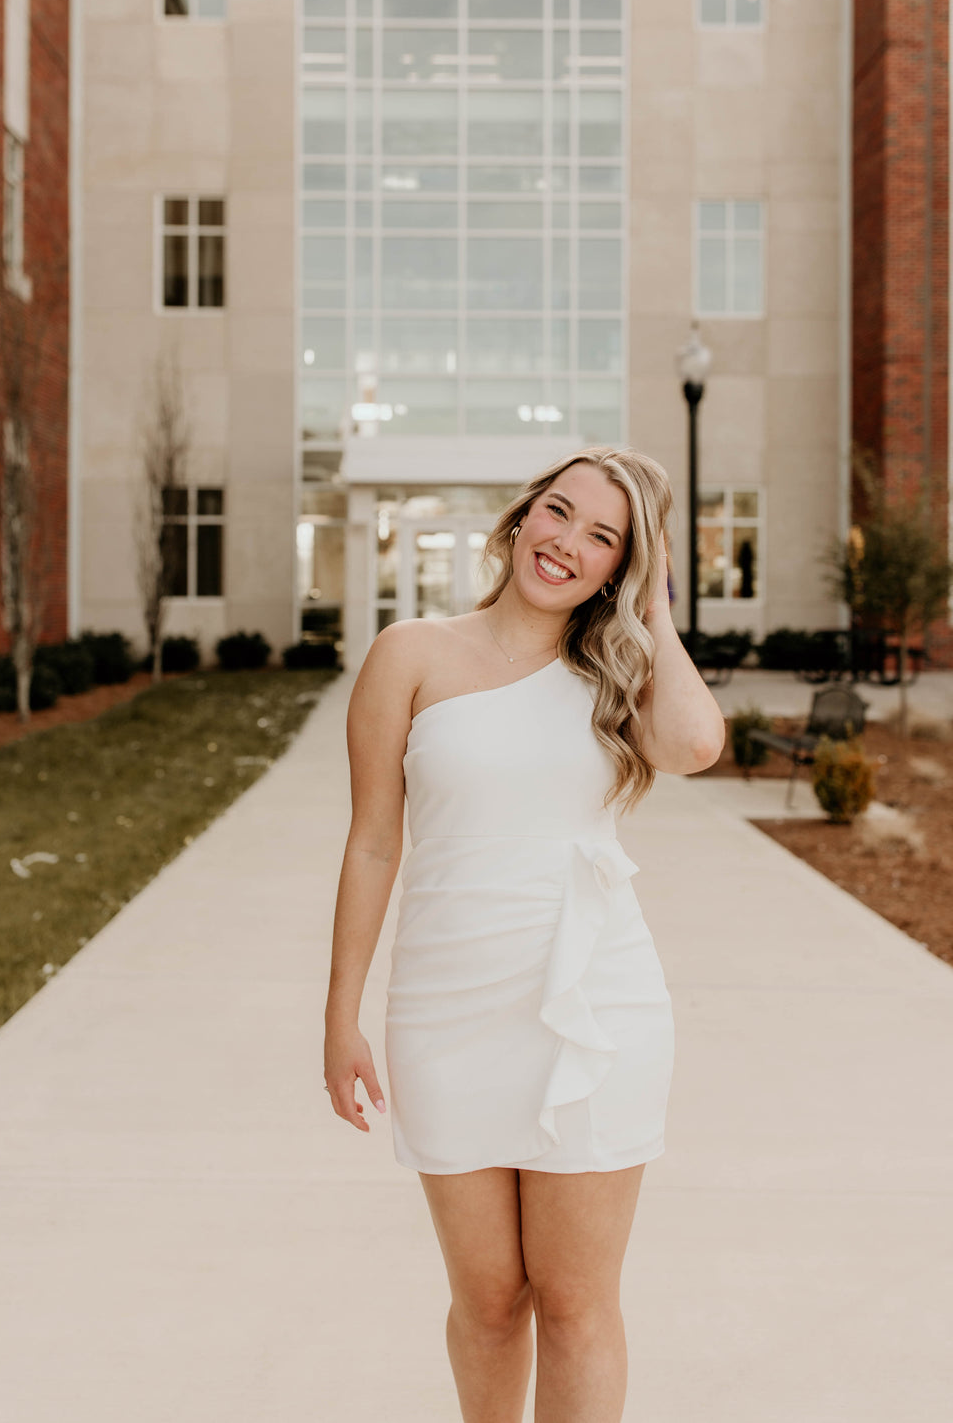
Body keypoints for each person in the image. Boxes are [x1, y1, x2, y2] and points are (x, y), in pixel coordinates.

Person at [324, 446, 727, 1423]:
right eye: (559, 512)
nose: (568, 544)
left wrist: (655, 604)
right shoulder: (409, 653)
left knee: (579, 1304)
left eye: (605, 538)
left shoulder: (613, 673)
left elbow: (695, 746)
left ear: (622, 567)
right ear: (520, 516)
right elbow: (375, 841)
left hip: (594, 1005)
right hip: (446, 1011)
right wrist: (342, 1017)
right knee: (490, 1302)